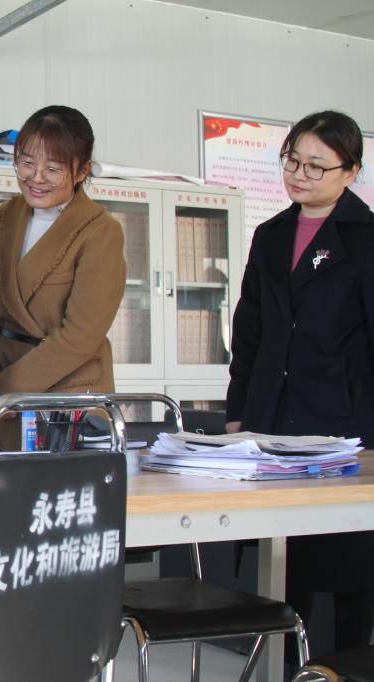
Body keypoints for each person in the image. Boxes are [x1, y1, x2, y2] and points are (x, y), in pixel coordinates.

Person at [226, 110, 374, 653]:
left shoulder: (366, 238)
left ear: (350, 171)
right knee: (286, 566)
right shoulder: (270, 235)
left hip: (344, 425)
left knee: (351, 566)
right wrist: (238, 415)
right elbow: (249, 331)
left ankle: (349, 667)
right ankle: (289, 668)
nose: (300, 175)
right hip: (272, 423)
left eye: (316, 165)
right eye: (292, 161)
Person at [0, 105, 125, 450]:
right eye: (26, 163)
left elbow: (80, 336)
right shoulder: (3, 218)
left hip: (67, 393)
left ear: (82, 170)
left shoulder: (100, 231)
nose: (36, 178)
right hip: (2, 388)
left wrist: (5, 389)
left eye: (53, 169)